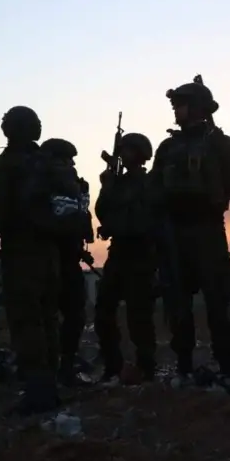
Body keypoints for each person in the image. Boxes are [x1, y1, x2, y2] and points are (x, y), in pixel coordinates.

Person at [0, 106, 86, 415]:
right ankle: (49, 386)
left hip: (21, 254)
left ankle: (38, 393)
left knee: (26, 322)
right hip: (50, 255)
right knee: (47, 319)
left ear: (8, 130)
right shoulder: (48, 164)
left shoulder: (8, 165)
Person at [149, 77, 230, 386]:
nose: (175, 110)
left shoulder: (221, 144)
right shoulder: (168, 147)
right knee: (177, 305)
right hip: (174, 234)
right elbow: (153, 193)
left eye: (180, 105)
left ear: (195, 107)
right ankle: (184, 364)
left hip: (208, 231)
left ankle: (227, 365)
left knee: (217, 304)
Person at [93, 132, 158, 383]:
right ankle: (113, 365)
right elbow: (102, 212)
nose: (123, 154)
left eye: (128, 150)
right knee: (103, 312)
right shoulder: (117, 183)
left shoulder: (148, 183)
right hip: (118, 254)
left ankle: (145, 367)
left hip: (141, 254)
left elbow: (143, 220)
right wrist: (107, 185)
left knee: (138, 316)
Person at [38, 137, 93, 386]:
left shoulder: (74, 185)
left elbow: (76, 220)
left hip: (68, 256)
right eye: (65, 160)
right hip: (49, 258)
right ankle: (53, 369)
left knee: (70, 315)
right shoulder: (43, 184)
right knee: (53, 316)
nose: (70, 165)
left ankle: (63, 366)